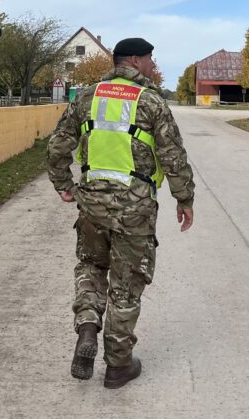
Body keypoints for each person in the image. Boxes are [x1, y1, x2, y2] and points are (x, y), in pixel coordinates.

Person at [47, 37, 195, 389]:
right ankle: (118, 365)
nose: (150, 66)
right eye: (148, 60)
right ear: (134, 60)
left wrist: (63, 184)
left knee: (91, 266)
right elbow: (173, 156)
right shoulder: (152, 102)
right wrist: (184, 199)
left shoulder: (86, 96)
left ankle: (87, 326)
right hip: (135, 207)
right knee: (126, 286)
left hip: (92, 202)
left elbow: (57, 146)